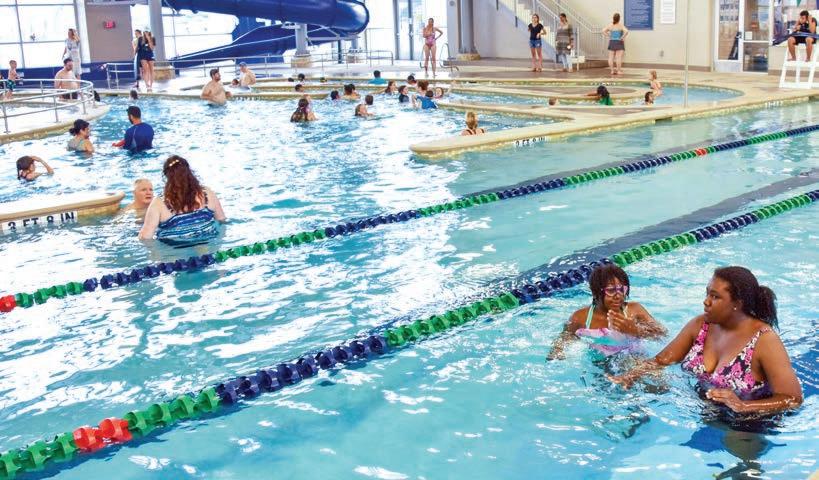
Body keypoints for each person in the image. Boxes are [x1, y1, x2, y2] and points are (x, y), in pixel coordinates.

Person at [609, 267, 803, 414]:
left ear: (737, 303)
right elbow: (662, 360)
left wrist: (743, 406)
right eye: (707, 293)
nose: (706, 301)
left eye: (715, 296)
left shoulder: (764, 340)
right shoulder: (701, 325)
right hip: (699, 407)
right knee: (632, 364)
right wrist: (629, 376)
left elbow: (793, 398)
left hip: (748, 423)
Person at [547, 264, 666, 361]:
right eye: (611, 290)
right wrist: (557, 352)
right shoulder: (581, 317)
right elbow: (564, 337)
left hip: (636, 357)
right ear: (595, 292)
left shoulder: (634, 310)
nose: (618, 295)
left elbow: (662, 334)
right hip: (602, 364)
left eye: (621, 289)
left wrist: (636, 331)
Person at [138, 155, 226, 245]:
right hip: (209, 246)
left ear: (167, 176)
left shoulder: (159, 203)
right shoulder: (207, 193)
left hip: (174, 250)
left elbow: (145, 237)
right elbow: (222, 220)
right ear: (189, 172)